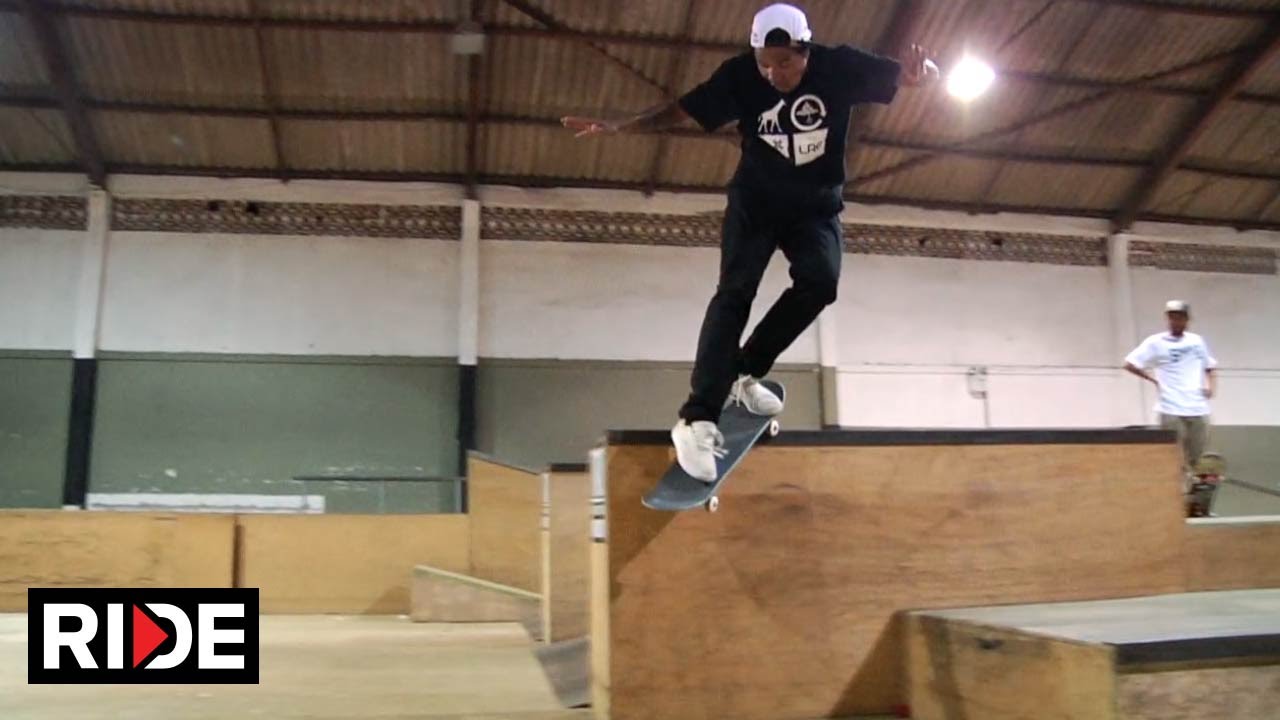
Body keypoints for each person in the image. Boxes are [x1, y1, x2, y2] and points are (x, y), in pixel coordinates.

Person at [562, 3, 938, 481]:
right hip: (756, 204)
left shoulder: (839, 66)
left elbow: (909, 75)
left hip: (815, 208)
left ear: (805, 51)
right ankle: (697, 419)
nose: (774, 74)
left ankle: (744, 371)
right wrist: (620, 126)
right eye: (765, 64)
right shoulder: (739, 76)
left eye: (785, 63)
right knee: (735, 293)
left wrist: (924, 74)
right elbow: (681, 109)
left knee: (821, 284)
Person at [1124, 300, 1218, 474]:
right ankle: (1178, 486)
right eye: (1172, 317)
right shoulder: (1156, 342)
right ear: (1168, 319)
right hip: (1171, 408)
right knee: (1173, 456)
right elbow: (1130, 364)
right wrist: (1153, 379)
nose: (1176, 321)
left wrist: (1211, 386)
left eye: (1180, 317)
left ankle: (1193, 486)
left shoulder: (1196, 341)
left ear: (1187, 320)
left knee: (1197, 457)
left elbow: (1209, 366)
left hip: (1198, 407)